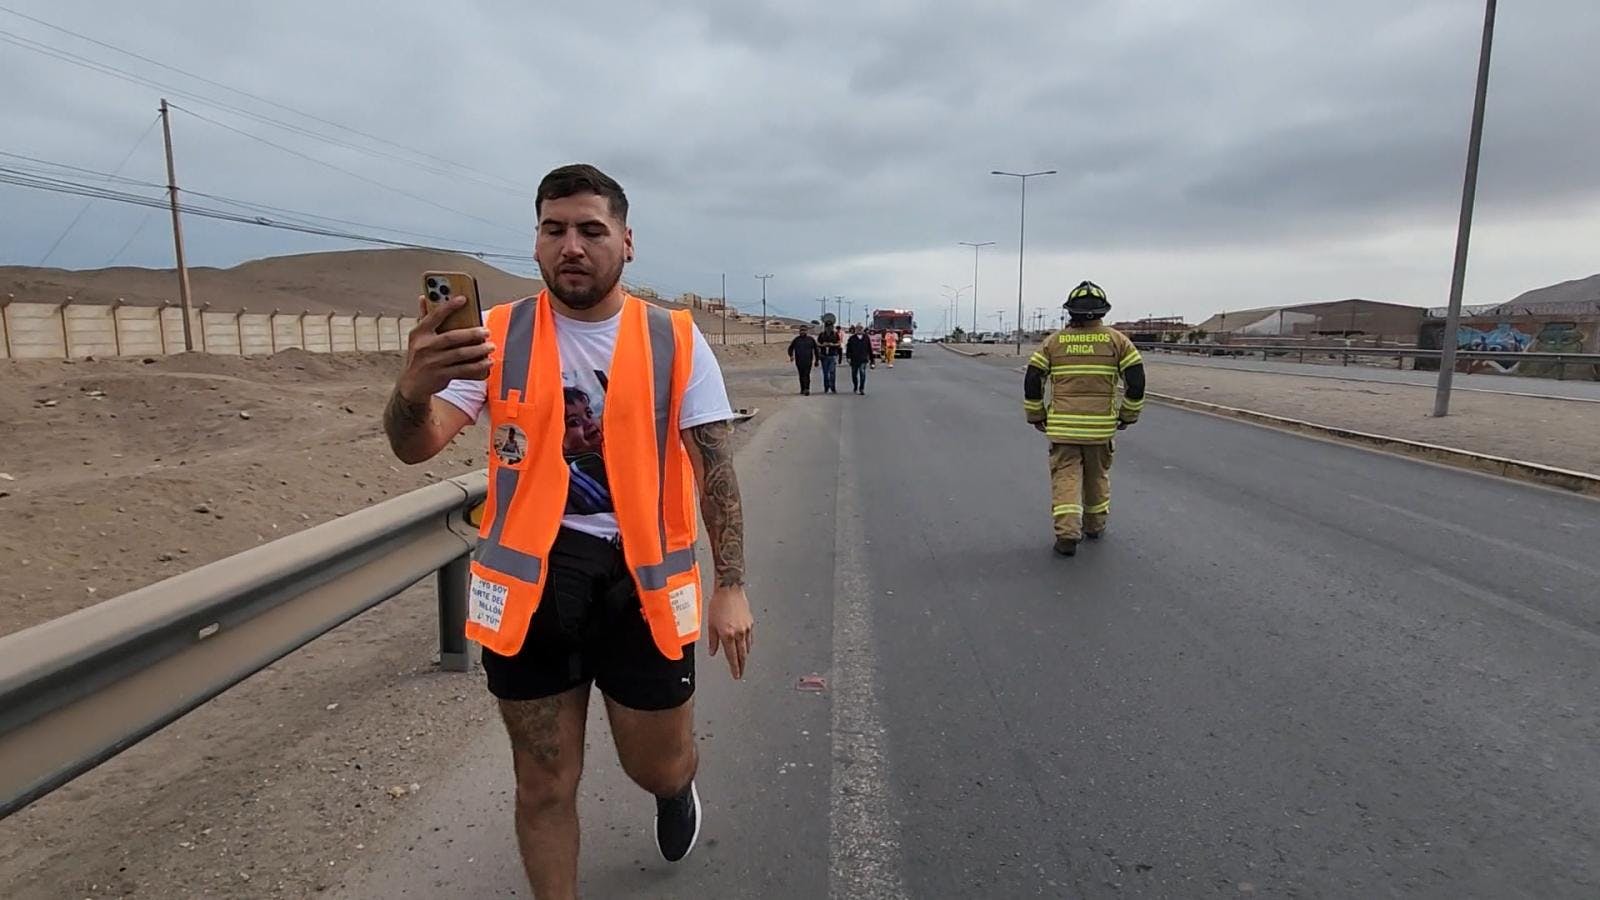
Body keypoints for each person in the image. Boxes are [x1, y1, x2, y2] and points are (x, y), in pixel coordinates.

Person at [383, 163, 755, 899]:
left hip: (642, 584)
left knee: (656, 762)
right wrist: (410, 389)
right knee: (544, 784)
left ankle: (674, 788)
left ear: (627, 240)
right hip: (533, 584)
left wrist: (732, 586)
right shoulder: (495, 335)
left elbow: (714, 468)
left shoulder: (675, 339)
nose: (572, 245)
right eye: (555, 230)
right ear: (537, 243)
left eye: (591, 229)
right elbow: (414, 444)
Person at [1022, 280, 1146, 556]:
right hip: (1100, 429)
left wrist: (1035, 414)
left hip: (1064, 428)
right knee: (1097, 477)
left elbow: (1033, 379)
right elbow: (1136, 381)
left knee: (1066, 477)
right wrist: (1128, 415)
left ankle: (1067, 533)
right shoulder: (1117, 341)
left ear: (1070, 312)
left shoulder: (1054, 342)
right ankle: (1094, 525)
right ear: (1102, 312)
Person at [787, 325, 819, 395]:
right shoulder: (796, 340)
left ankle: (807, 389)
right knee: (801, 375)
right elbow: (790, 348)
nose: (802, 332)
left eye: (804, 330)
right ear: (799, 331)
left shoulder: (811, 339)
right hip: (799, 361)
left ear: (806, 331)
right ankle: (802, 389)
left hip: (808, 361)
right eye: (801, 330)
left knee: (807, 375)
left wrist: (817, 360)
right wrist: (791, 356)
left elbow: (816, 350)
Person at [845, 323, 875, 394]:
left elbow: (870, 349)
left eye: (861, 328)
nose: (859, 330)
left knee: (862, 373)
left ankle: (861, 388)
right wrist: (848, 357)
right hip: (854, 359)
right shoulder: (852, 338)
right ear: (856, 330)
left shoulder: (866, 338)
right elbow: (848, 349)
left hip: (863, 359)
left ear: (863, 329)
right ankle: (855, 386)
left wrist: (872, 360)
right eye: (858, 328)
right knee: (854, 374)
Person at [816, 322, 842, 394]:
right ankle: (826, 387)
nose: (829, 328)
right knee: (825, 373)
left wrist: (832, 344)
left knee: (832, 372)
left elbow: (839, 343)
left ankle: (833, 387)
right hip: (824, 355)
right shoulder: (822, 334)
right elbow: (817, 343)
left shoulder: (835, 334)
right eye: (827, 327)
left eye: (830, 327)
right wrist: (822, 344)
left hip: (832, 355)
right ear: (825, 327)